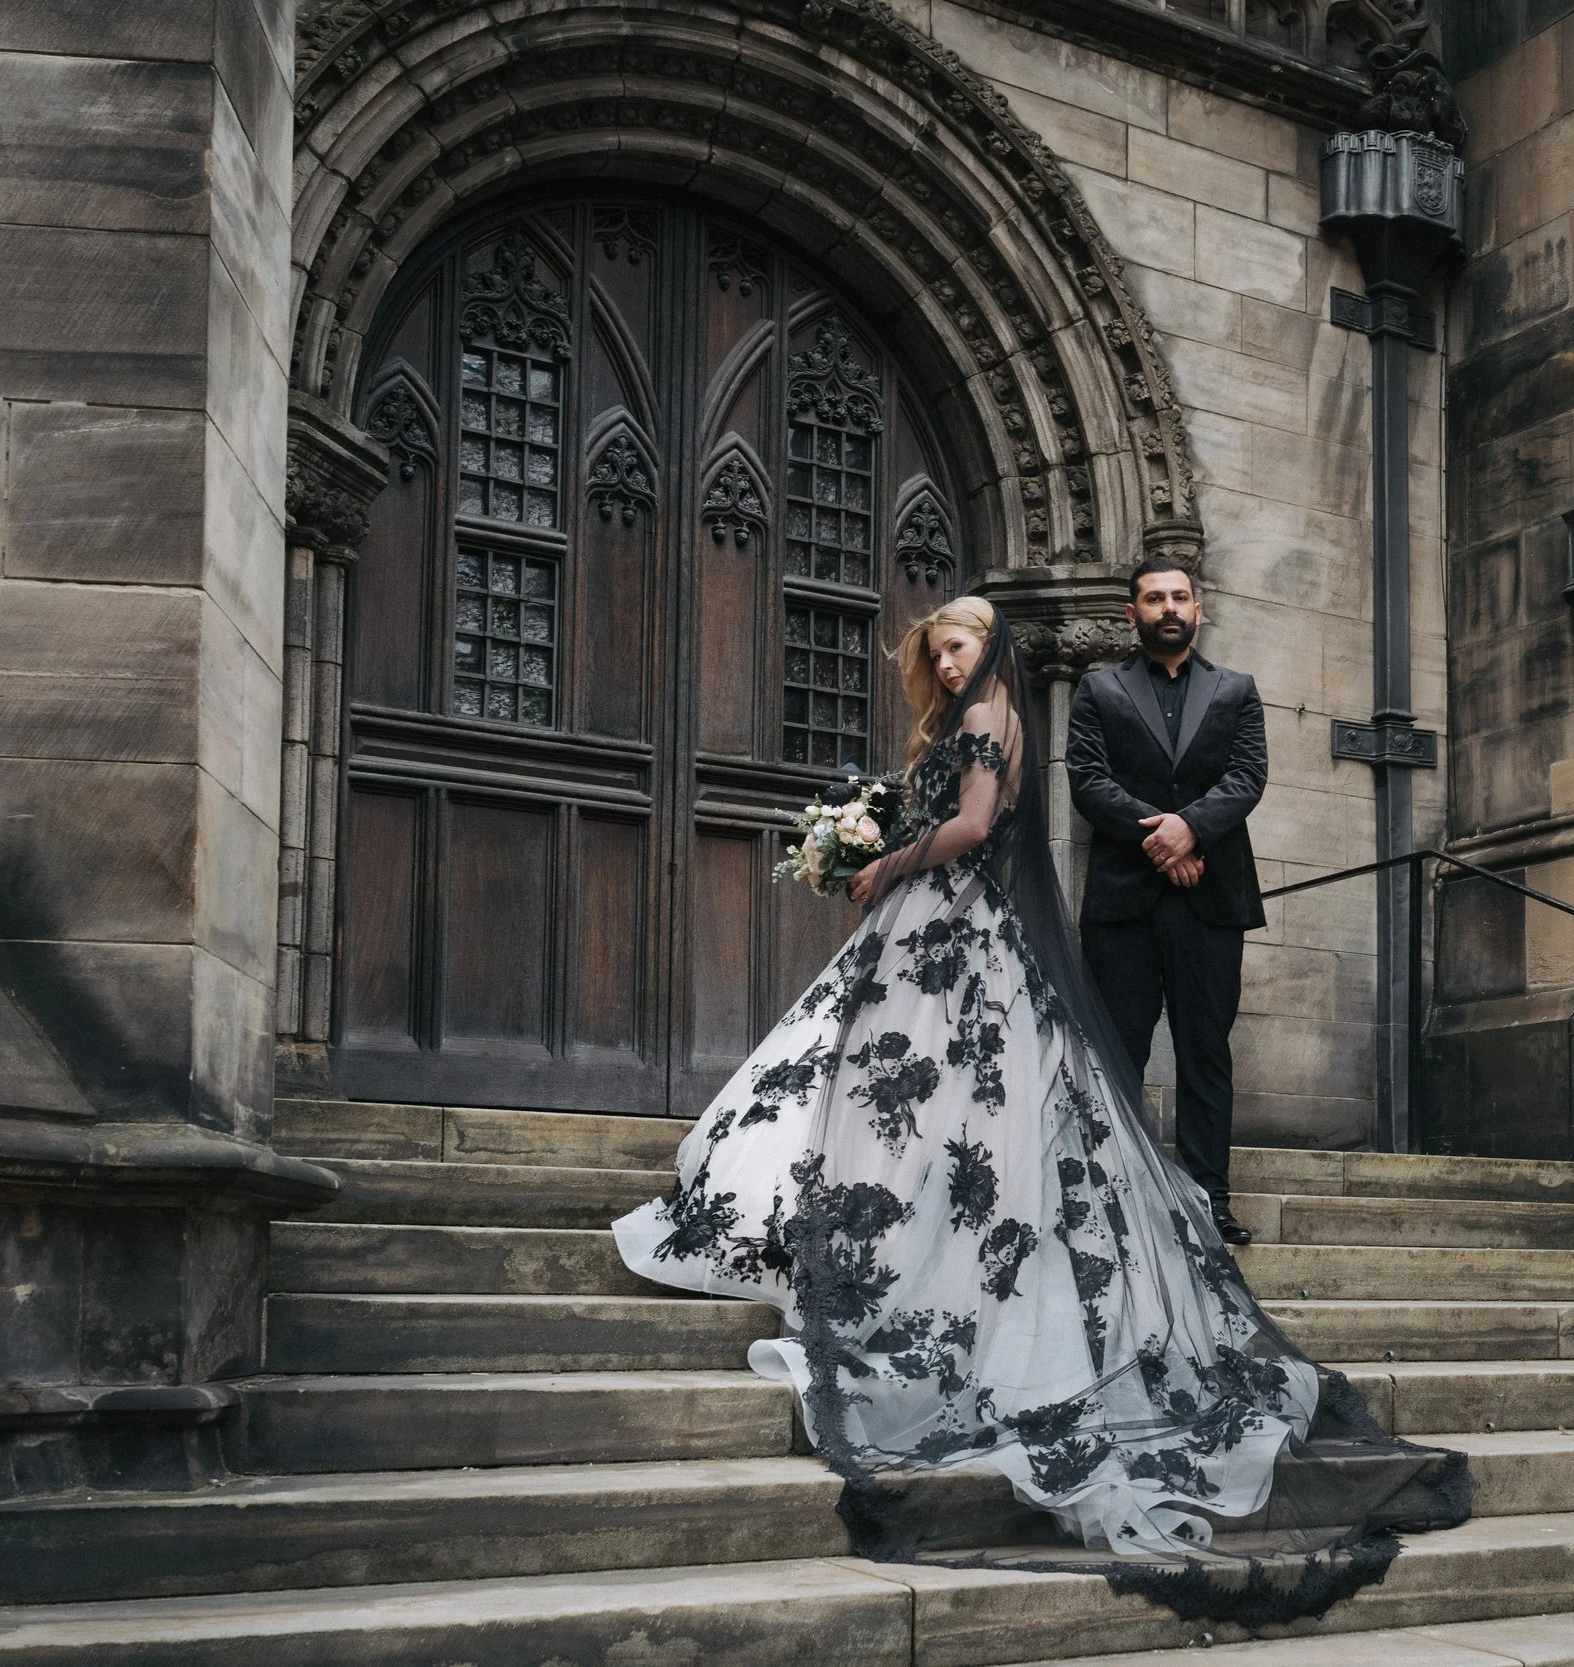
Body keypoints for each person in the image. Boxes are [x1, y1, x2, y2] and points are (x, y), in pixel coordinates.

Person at [613, 594, 1465, 1620]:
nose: (947, 656)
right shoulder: (980, 720)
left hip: (954, 915)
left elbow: (972, 823)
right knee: (918, 1098)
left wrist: (881, 858)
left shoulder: (983, 721)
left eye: (960, 641)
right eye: (936, 647)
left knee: (917, 1088)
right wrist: (870, 827)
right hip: (947, 920)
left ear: (992, 647)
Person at [1066, 560, 1265, 1247]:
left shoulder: (1236, 690)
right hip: (1123, 905)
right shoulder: (1099, 687)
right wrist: (1164, 835)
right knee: (1119, 1051)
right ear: (1132, 613)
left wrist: (1191, 828)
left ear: (1198, 609)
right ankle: (1115, 1193)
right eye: (1154, 597)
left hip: (1212, 900)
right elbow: (1087, 779)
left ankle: (1210, 1198)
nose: (1168, 606)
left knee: (1205, 1052)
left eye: (1179, 596)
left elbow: (1248, 776)